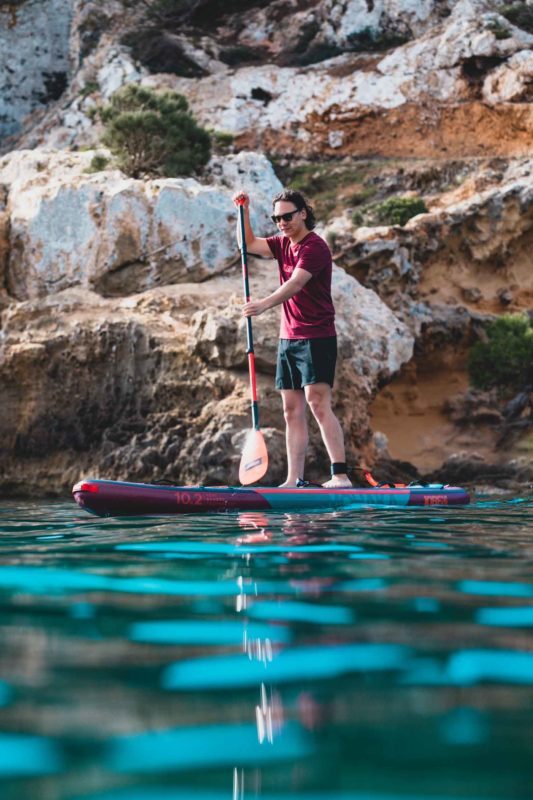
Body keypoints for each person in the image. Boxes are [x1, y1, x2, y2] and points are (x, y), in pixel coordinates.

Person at [232, 188, 352, 489]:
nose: (281, 223)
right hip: (289, 337)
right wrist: (243, 212)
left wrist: (262, 305)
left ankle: (340, 476)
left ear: (303, 213)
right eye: (276, 218)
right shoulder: (281, 243)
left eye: (287, 216)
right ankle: (292, 480)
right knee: (290, 410)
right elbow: (246, 244)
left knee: (318, 403)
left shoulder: (315, 247)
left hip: (317, 335)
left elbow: (297, 283)